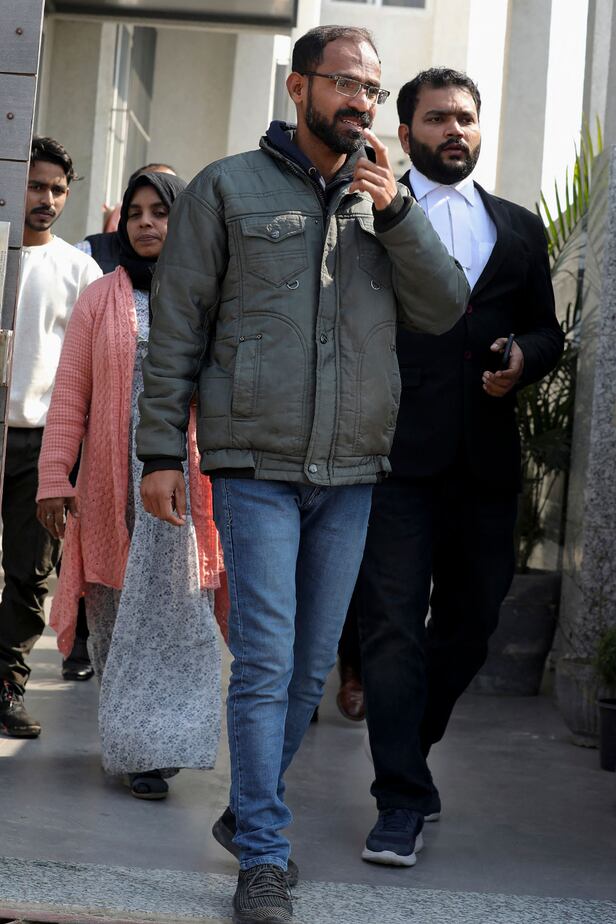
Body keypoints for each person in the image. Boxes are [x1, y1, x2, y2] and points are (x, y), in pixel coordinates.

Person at [137, 26, 468, 924]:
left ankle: (249, 810)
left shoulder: (388, 199)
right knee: (266, 662)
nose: (362, 100)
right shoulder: (225, 188)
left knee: (310, 665)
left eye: (373, 88)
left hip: (353, 470)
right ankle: (264, 857)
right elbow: (178, 326)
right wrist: (160, 451)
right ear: (298, 87)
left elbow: (445, 310)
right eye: (345, 83)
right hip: (255, 462)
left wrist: (397, 215)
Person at [350, 67, 564, 868]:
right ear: (405, 133)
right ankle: (399, 798)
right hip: (392, 457)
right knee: (392, 627)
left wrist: (523, 357)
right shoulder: (366, 216)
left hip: (486, 461)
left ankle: (412, 745)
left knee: (473, 624)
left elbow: (547, 331)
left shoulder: (519, 227)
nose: (455, 131)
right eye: (438, 118)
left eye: (466, 118)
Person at [36, 171, 225, 800]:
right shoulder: (99, 298)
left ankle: (164, 742)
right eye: (135, 212)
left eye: (160, 212)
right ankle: (132, 746)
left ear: (185, 220)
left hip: (188, 488)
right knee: (117, 618)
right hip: (110, 489)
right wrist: (54, 476)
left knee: (179, 618)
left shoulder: (212, 295)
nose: (145, 223)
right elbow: (70, 395)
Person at [0, 137, 102, 738]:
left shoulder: (80, 270)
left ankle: (7, 687)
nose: (47, 199)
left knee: (30, 573)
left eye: (58, 190)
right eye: (36, 186)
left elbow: (89, 368)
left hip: (43, 444)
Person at [75, 162, 176, 272]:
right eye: (135, 214)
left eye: (160, 213)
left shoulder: (191, 268)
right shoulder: (85, 256)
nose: (144, 221)